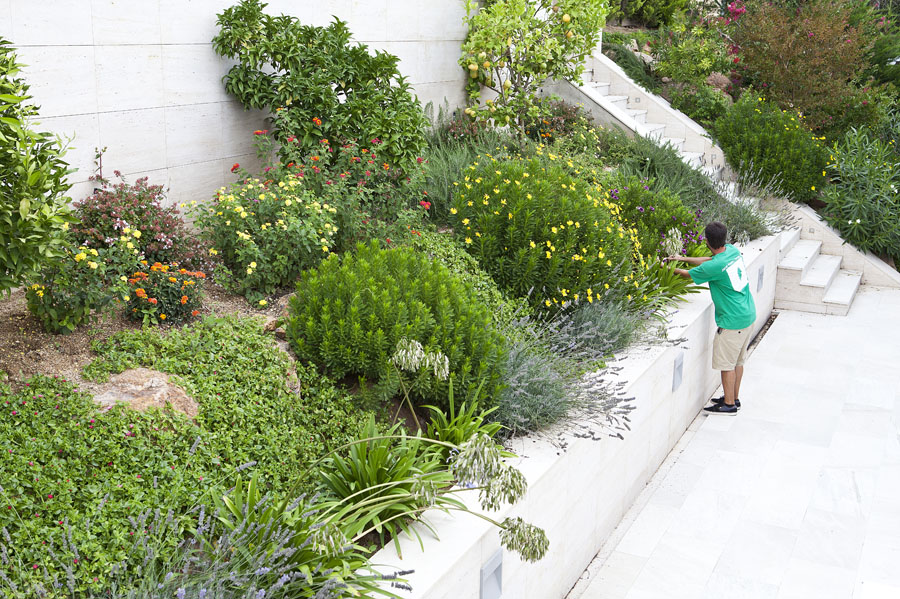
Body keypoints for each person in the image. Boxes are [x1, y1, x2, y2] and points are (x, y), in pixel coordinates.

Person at [665, 221, 756, 414]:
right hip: (747, 314)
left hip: (732, 322)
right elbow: (710, 261)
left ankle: (729, 404)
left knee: (727, 365)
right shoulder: (731, 251)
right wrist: (682, 257)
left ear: (706, 240)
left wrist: (666, 267)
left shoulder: (716, 266)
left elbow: (687, 275)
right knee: (738, 361)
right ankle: (734, 397)